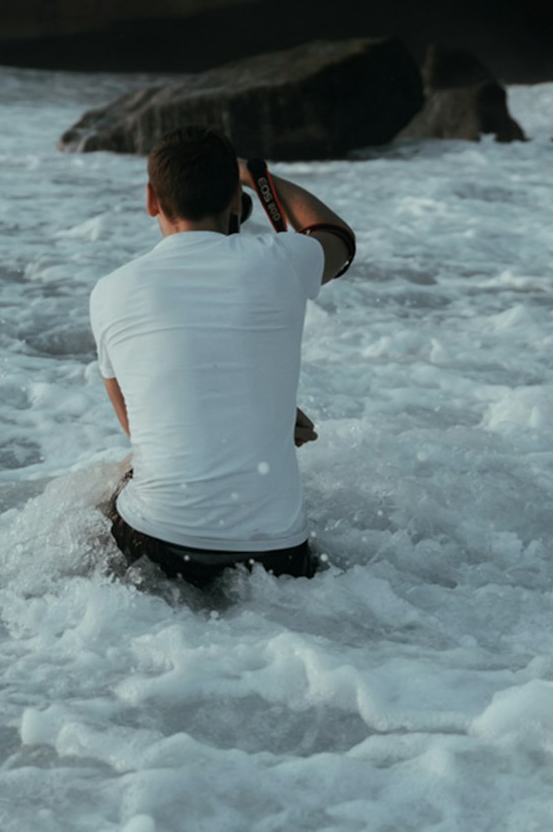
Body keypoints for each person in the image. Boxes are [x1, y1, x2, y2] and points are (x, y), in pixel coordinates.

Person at [90, 125, 355, 588]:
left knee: (109, 486)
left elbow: (139, 425)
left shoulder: (111, 290)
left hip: (159, 545)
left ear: (152, 200)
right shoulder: (283, 259)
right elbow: (336, 237)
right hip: (279, 553)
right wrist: (257, 178)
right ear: (236, 202)